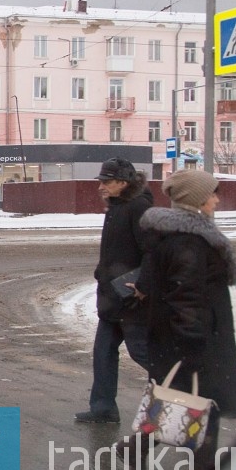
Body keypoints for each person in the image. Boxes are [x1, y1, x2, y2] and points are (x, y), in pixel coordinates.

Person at [135, 169, 236, 470]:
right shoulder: (189, 242)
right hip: (192, 338)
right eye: (211, 193)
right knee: (204, 408)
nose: (216, 198)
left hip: (182, 336)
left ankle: (134, 449)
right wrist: (194, 344)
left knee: (182, 403)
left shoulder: (177, 236)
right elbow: (186, 296)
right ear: (196, 200)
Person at [75, 158, 152, 424]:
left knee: (142, 352)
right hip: (111, 298)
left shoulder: (139, 207)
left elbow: (151, 252)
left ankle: (183, 388)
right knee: (103, 353)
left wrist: (143, 286)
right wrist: (102, 271)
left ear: (124, 182)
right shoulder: (117, 207)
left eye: (107, 181)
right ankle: (103, 409)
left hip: (131, 299)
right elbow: (116, 249)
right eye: (101, 181)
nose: (101, 186)